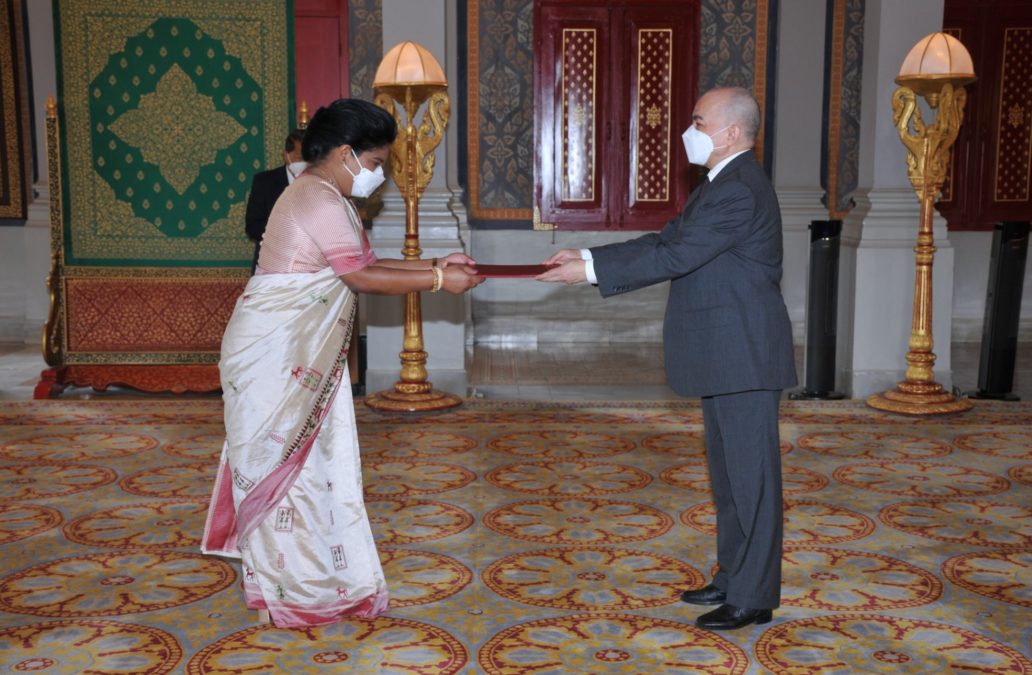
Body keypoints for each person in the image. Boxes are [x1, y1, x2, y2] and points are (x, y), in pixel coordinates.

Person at [202, 98, 485, 628]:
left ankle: (304, 581)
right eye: (376, 163)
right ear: (345, 154)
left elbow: (366, 265)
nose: (378, 175)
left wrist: (436, 263)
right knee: (292, 469)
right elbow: (360, 278)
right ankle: (301, 589)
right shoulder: (317, 198)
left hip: (295, 351)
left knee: (311, 465)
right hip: (277, 351)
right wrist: (441, 280)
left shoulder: (326, 193)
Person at [537, 86, 796, 631]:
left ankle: (754, 596)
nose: (689, 131)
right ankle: (733, 576)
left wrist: (588, 275)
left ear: (730, 132)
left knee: (753, 482)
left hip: (745, 353)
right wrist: (587, 256)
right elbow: (668, 238)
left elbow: (676, 255)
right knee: (729, 479)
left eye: (699, 121)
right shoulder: (721, 183)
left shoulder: (739, 189)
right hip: (726, 353)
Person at [244, 128, 306, 273]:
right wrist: (287, 232)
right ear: (286, 155)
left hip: (307, 267)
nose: (304, 162)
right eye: (299, 157)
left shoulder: (318, 182)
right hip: (271, 264)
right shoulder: (264, 181)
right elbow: (253, 226)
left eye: (308, 158)